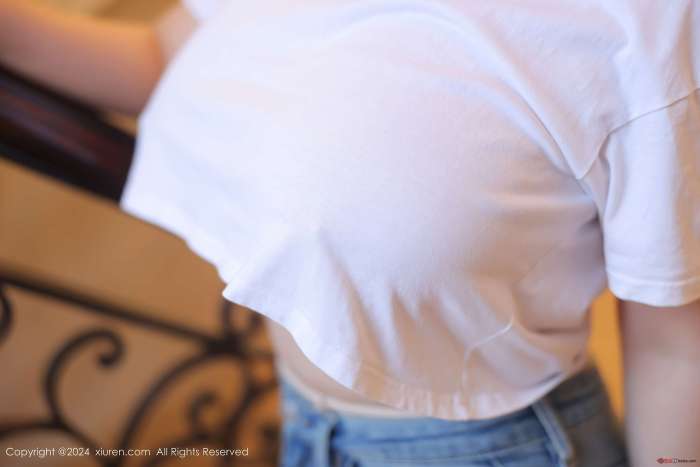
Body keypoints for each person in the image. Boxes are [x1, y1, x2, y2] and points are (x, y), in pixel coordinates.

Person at [1, 1, 698, 466]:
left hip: (488, 445)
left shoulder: (652, 24)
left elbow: (674, 342)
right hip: (304, 419)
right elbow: (166, 54)